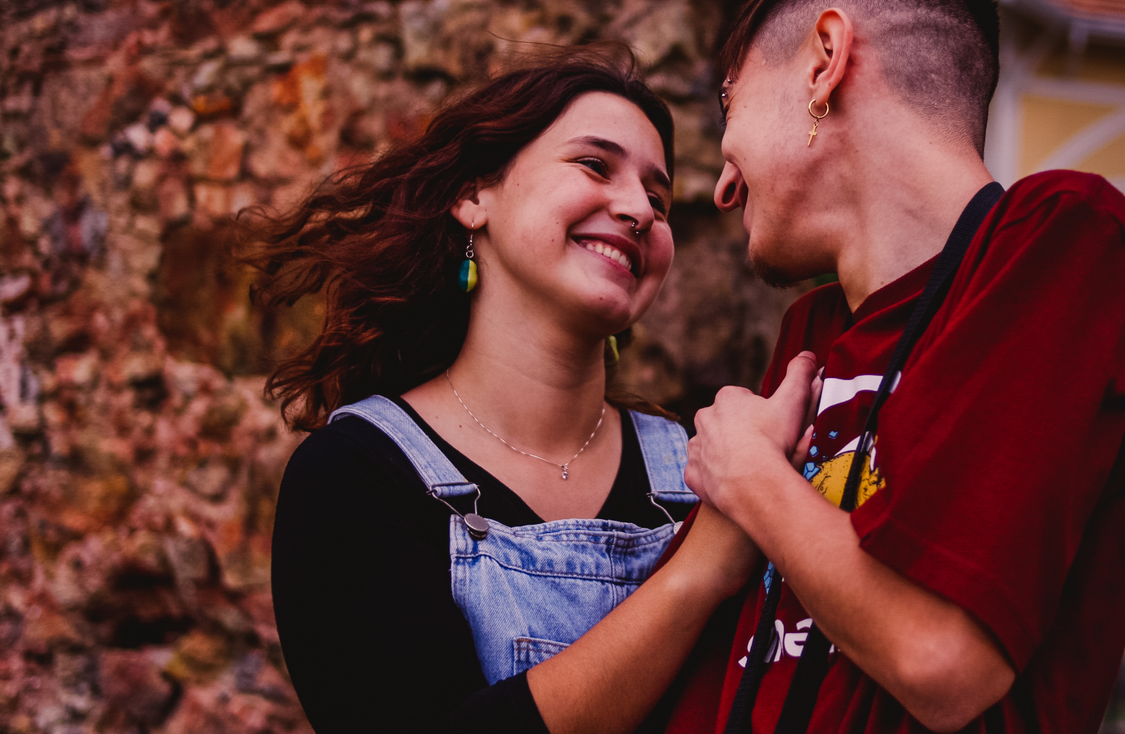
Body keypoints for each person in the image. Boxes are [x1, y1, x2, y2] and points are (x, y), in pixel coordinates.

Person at [665, 0, 1125, 733]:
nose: (721, 182)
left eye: (729, 104)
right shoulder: (811, 334)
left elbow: (941, 656)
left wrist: (749, 477)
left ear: (824, 61)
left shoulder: (1064, 240)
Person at [248, 47, 756, 733]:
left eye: (659, 199)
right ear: (474, 195)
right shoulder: (356, 474)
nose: (639, 209)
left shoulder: (706, 469)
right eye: (594, 165)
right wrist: (694, 575)